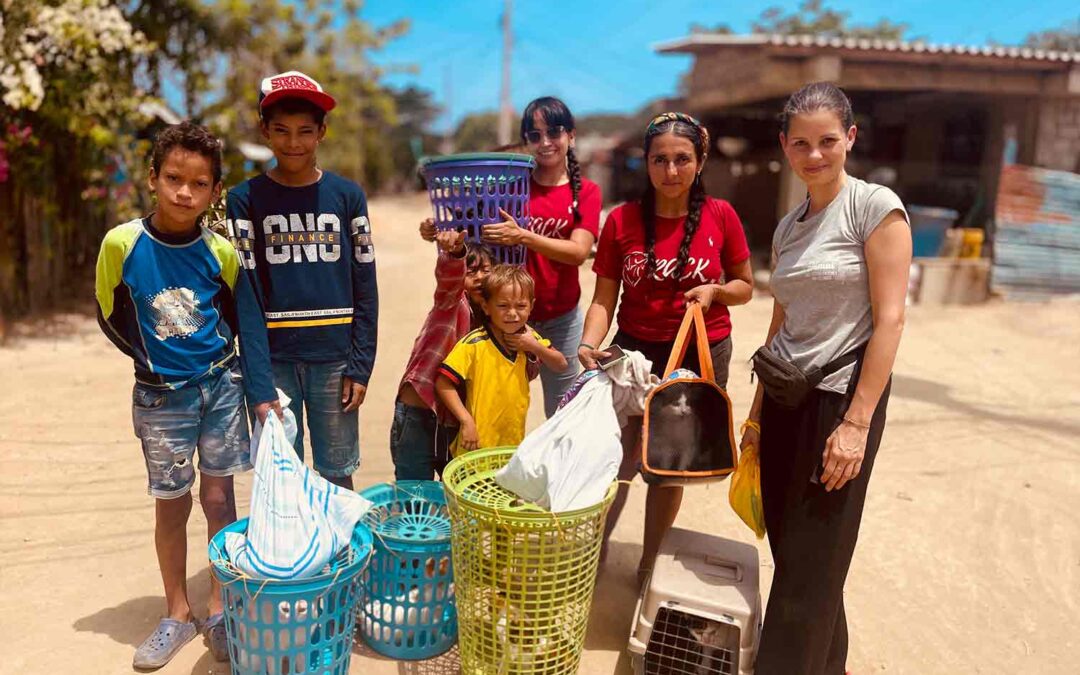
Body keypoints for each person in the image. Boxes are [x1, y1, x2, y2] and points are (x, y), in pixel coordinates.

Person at [740, 82, 911, 675]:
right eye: (803, 144)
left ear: (851, 139)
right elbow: (779, 322)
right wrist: (758, 417)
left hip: (840, 405)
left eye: (828, 141)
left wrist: (857, 424)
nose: (816, 155)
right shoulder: (789, 226)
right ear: (785, 147)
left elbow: (890, 319)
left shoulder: (874, 208)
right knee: (799, 564)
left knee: (810, 573)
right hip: (785, 397)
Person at [95, 122, 280, 668]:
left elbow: (233, 315)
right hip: (160, 399)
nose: (184, 192)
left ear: (214, 192)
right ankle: (176, 612)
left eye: (199, 184)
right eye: (173, 178)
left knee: (220, 500)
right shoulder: (123, 244)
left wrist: (216, 369)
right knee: (171, 503)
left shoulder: (220, 252)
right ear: (152, 178)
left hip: (222, 388)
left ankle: (221, 606)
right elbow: (109, 312)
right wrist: (155, 361)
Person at [577, 112, 753, 584]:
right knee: (616, 461)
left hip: (699, 352)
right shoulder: (621, 221)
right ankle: (592, 557)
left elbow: (745, 286)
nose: (671, 171)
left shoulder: (722, 216)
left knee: (668, 465)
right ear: (646, 163)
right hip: (634, 353)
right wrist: (589, 344)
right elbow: (602, 298)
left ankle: (649, 563)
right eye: (660, 160)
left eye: (682, 159)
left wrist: (715, 291)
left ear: (699, 161)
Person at [226, 71, 378, 490]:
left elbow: (366, 287)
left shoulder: (347, 197)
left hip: (337, 360)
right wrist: (258, 384)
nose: (293, 143)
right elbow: (248, 299)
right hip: (275, 363)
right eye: (282, 131)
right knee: (282, 476)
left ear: (322, 133)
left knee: (337, 473)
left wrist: (361, 366)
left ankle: (341, 555)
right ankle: (295, 556)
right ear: (265, 131)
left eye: (305, 132)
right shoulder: (243, 200)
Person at [481, 97, 603, 416]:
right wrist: (435, 230)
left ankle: (558, 469)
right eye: (535, 136)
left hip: (562, 318)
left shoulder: (586, 192)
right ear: (526, 141)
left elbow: (578, 252)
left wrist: (523, 235)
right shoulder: (509, 188)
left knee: (564, 416)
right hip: (505, 315)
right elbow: (471, 228)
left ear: (571, 136)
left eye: (554, 132)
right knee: (498, 410)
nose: (545, 142)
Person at [391, 220, 494, 481]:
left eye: (486, 270)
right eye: (472, 271)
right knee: (414, 503)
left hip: (456, 423)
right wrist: (456, 254)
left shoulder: (495, 321)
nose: (480, 277)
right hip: (419, 415)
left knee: (458, 501)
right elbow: (449, 277)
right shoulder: (452, 302)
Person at [435, 265, 568, 456]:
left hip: (511, 446)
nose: (512, 313)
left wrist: (534, 346)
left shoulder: (529, 338)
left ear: (531, 306)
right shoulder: (474, 344)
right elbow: (443, 383)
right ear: (486, 307)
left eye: (521, 306)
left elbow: (561, 364)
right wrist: (466, 421)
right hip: (475, 446)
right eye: (503, 306)